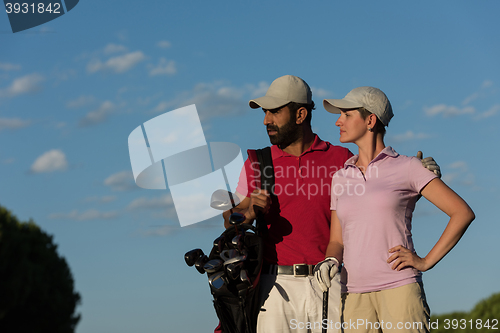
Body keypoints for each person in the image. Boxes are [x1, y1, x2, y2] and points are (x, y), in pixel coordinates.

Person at [224, 76, 440, 333]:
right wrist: (244, 213)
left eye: (274, 112)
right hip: (274, 286)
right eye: (265, 112)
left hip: (331, 282)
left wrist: (420, 179)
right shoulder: (257, 163)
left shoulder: (341, 158)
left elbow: (381, 193)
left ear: (300, 114)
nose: (266, 120)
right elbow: (230, 221)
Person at [315, 86, 475, 333]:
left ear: (370, 120)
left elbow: (462, 213)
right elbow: (337, 240)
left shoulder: (409, 167)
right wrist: (330, 260)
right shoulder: (340, 177)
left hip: (400, 289)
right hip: (353, 294)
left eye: (347, 115)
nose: (338, 121)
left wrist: (425, 261)